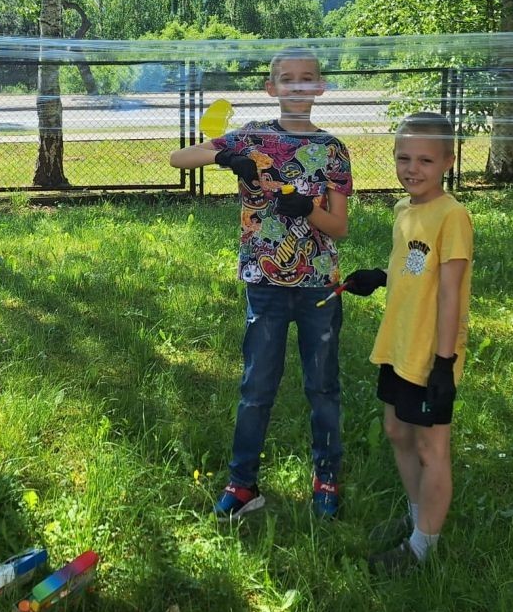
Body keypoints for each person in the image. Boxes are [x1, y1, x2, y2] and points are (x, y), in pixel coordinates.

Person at [170, 49, 352, 520]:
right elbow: (178, 158)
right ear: (271, 89)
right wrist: (227, 155)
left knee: (323, 387)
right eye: (286, 80)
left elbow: (339, 227)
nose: (296, 87)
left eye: (306, 79)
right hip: (265, 283)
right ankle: (243, 483)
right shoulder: (252, 136)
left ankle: (326, 477)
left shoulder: (332, 149)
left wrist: (306, 210)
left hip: (318, 285)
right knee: (257, 386)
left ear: (320, 88)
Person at [342, 111, 472, 573]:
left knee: (431, 448)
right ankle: (417, 522)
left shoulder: (452, 216)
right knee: (398, 431)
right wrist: (380, 276)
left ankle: (423, 549)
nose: (412, 168)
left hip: (431, 352)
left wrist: (444, 363)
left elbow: (452, 291)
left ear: (447, 162)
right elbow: (412, 266)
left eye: (425, 160)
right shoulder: (404, 209)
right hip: (398, 344)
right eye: (403, 158)